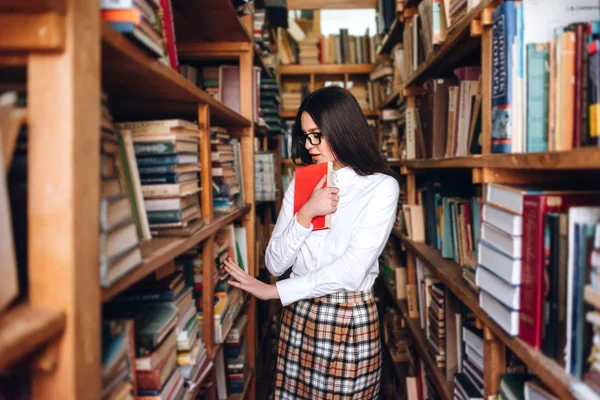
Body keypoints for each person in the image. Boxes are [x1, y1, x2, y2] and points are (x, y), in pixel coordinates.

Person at [224, 86, 400, 399]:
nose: (309, 145)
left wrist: (274, 291)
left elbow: (351, 270)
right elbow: (276, 262)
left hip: (347, 317)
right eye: (305, 136)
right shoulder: (301, 181)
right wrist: (306, 212)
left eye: (316, 135)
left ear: (342, 130)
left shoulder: (381, 187)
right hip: (298, 314)